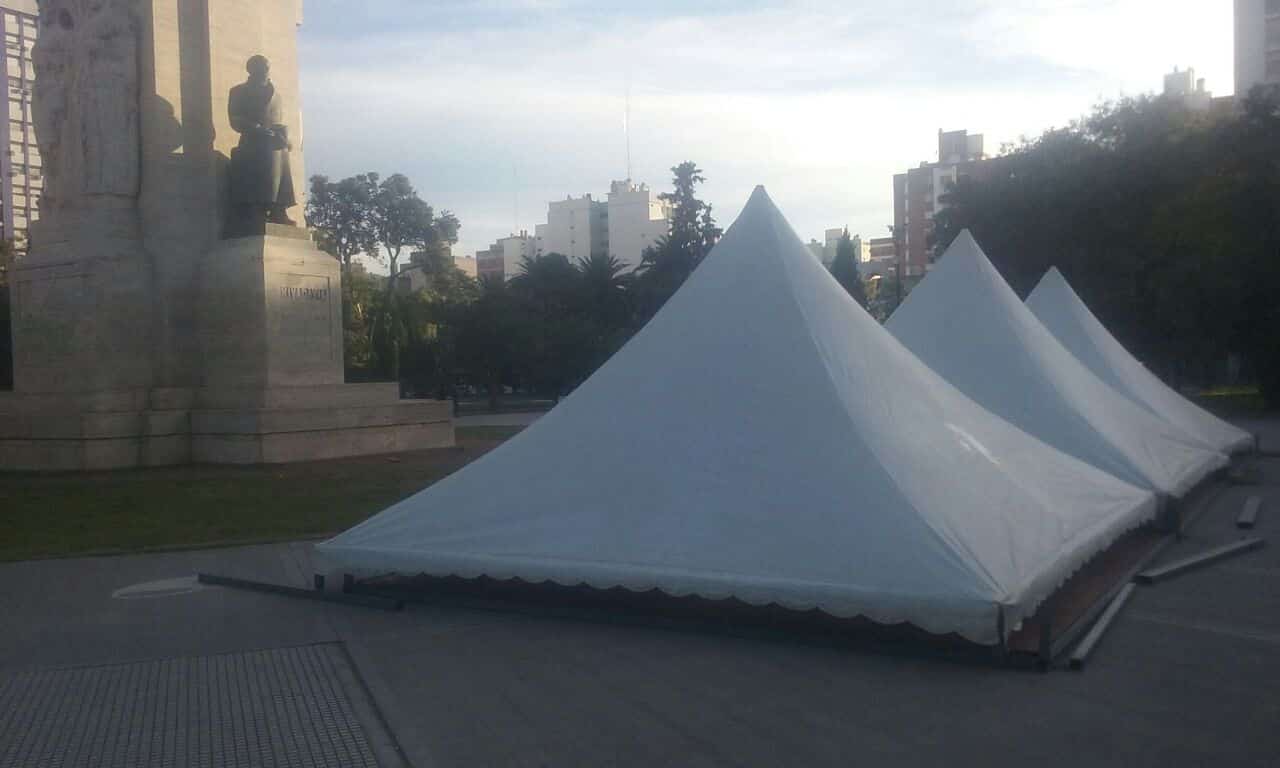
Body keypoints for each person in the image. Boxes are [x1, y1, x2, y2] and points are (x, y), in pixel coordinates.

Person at [227, 55, 297, 229]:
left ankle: (278, 208)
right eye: (261, 68)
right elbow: (234, 119)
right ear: (251, 70)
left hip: (274, 141)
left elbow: (277, 120)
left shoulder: (277, 95)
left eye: (267, 67)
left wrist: (285, 137)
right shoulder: (238, 91)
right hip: (252, 140)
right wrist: (256, 128)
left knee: (280, 155)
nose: (265, 71)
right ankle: (257, 208)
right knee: (265, 154)